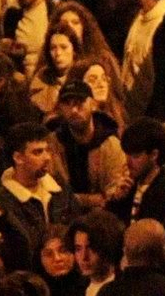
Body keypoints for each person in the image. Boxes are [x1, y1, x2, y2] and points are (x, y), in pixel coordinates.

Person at [0, 120, 82, 263]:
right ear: (18, 158)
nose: (47, 158)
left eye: (47, 150)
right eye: (38, 152)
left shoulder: (60, 189)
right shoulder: (3, 202)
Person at [108, 117, 165, 255]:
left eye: (136, 156)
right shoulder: (131, 185)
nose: (128, 162)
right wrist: (117, 199)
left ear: (154, 154)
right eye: (127, 155)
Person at [50, 79, 126, 208]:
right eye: (67, 104)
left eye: (79, 103)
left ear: (92, 104)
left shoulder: (110, 144)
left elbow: (113, 194)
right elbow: (50, 191)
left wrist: (74, 199)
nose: (73, 110)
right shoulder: (53, 143)